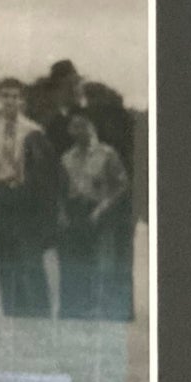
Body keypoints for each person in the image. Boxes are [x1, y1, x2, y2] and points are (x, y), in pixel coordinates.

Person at [42, 58, 136, 322]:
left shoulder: (103, 116)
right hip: (71, 204)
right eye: (66, 85)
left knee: (106, 264)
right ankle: (72, 312)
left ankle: (109, 313)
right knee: (71, 263)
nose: (73, 89)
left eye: (76, 83)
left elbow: (121, 168)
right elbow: (54, 174)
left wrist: (107, 204)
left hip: (105, 202)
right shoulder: (55, 125)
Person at [0, 77, 59, 319]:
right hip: (2, 194)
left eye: (14, 97)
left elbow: (44, 172)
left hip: (27, 197)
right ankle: (12, 311)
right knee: (5, 256)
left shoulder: (33, 131)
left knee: (30, 255)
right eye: (5, 96)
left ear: (21, 101)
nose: (9, 101)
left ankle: (39, 313)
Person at [57, 111, 131, 320]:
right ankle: (73, 308)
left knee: (98, 261)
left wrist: (102, 208)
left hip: (99, 210)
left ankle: (97, 308)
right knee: (73, 261)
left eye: (82, 126)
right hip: (74, 212)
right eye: (74, 127)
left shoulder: (107, 154)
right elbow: (61, 190)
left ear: (92, 127)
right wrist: (62, 213)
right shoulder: (67, 157)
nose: (77, 131)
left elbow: (121, 185)